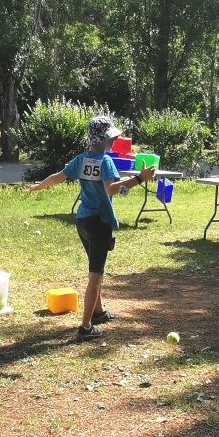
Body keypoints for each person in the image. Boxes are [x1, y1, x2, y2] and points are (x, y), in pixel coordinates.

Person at [29, 116, 155, 340]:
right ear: (106, 139)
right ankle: (86, 327)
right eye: (113, 137)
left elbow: (58, 177)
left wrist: (38, 186)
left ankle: (98, 313)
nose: (116, 140)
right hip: (99, 223)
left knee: (95, 269)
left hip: (83, 221)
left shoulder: (81, 159)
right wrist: (140, 179)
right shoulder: (105, 161)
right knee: (95, 276)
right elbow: (111, 190)